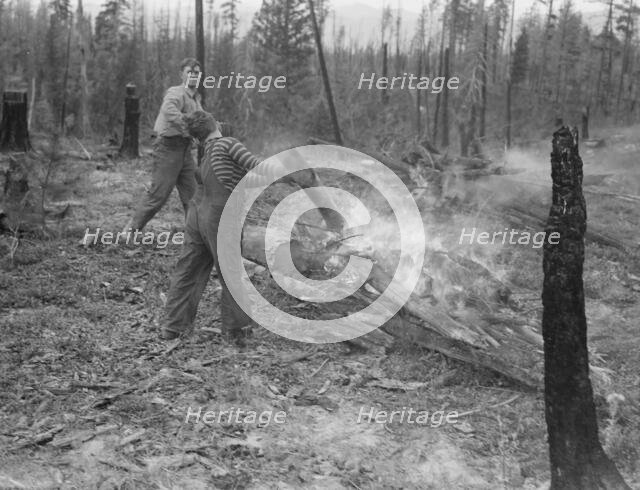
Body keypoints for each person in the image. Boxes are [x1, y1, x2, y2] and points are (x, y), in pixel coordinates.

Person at [158, 111, 309, 344]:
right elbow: (260, 169)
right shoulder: (228, 143)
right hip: (219, 216)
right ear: (212, 124)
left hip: (196, 215)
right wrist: (292, 170)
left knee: (188, 270)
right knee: (231, 272)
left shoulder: (207, 152)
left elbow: (244, 178)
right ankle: (237, 333)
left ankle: (173, 327)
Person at [125, 58, 203, 232]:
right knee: (158, 195)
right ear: (181, 74)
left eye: (197, 73)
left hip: (184, 151)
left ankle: (195, 235)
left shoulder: (196, 98)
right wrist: (189, 127)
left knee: (193, 196)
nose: (194, 75)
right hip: (168, 148)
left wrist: (210, 130)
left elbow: (203, 120)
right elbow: (169, 110)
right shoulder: (176, 93)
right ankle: (130, 230)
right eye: (190, 71)